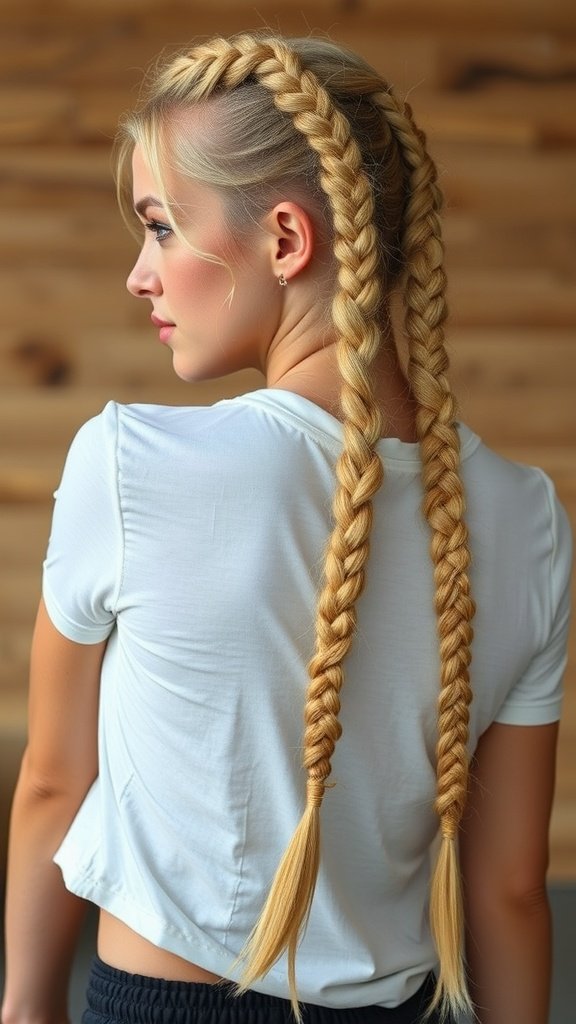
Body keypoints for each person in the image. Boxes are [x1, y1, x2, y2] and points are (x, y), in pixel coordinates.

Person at [2, 31, 572, 1024]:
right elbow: (511, 890)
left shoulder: (130, 463)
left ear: (285, 239)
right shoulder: (528, 516)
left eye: (161, 227)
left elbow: (55, 781)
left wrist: (24, 1007)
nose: (142, 274)